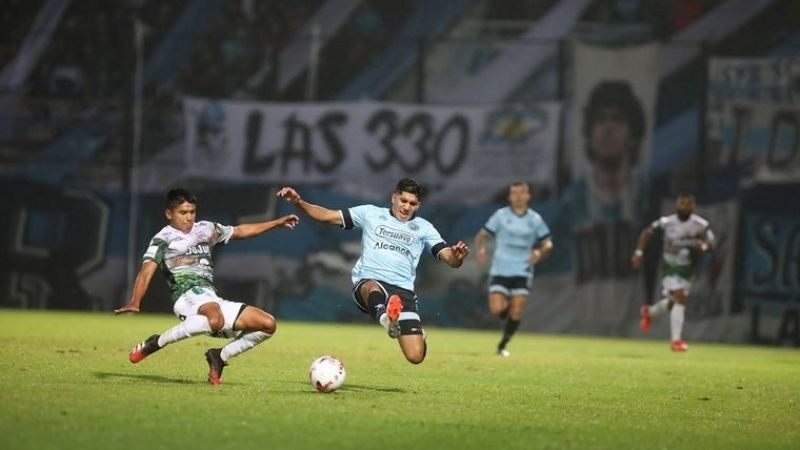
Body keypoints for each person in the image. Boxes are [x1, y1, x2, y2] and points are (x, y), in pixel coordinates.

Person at [114, 188, 299, 385]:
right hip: (186, 297)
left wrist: (276, 223)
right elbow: (147, 270)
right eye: (182, 213)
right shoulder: (163, 239)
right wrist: (135, 301)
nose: (189, 218)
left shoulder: (206, 229)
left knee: (267, 324)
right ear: (169, 213)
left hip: (210, 297)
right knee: (215, 318)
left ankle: (220, 356)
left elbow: (240, 231)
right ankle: (156, 342)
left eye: (192, 212)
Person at [277, 178, 470, 365]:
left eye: (412, 203)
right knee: (371, 287)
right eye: (403, 200)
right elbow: (327, 216)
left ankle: (414, 331)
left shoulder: (424, 228)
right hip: (369, 282)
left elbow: (450, 259)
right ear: (393, 197)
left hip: (402, 292)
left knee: (415, 357)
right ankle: (387, 319)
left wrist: (457, 257)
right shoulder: (370, 213)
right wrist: (298, 202)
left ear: (418, 206)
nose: (406, 206)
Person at [474, 182, 553, 357]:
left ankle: (503, 344)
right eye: (514, 193)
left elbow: (548, 242)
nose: (518, 196)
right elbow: (482, 234)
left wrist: (540, 251)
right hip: (501, 268)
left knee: (517, 309)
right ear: (509, 197)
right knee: (496, 310)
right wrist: (480, 250)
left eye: (521, 193)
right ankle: (506, 311)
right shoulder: (501, 216)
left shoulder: (535, 219)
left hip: (523, 269)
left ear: (528, 196)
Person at [631, 194, 714, 352]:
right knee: (680, 297)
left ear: (693, 206)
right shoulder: (666, 223)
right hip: (670, 267)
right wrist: (639, 253)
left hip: (688, 269)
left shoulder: (700, 224)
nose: (685, 206)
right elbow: (647, 232)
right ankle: (676, 341)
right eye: (682, 203)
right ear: (677, 205)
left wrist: (704, 246)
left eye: (688, 204)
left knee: (673, 302)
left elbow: (711, 243)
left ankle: (649, 312)